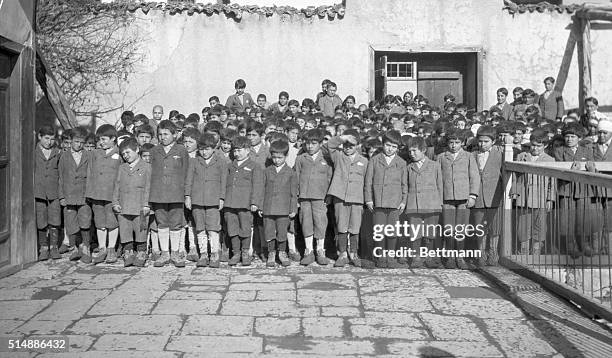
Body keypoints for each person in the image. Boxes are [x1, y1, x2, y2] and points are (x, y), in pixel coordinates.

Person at [149, 120, 189, 267]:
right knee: (162, 223)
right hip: (158, 194)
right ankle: (164, 253)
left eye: (166, 134)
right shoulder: (154, 151)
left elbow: (186, 172)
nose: (162, 137)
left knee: (176, 223)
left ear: (175, 134)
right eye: (160, 134)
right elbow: (150, 173)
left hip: (176, 193)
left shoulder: (181, 150)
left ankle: (175, 253)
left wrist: (186, 193)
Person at [437, 127, 479, 269]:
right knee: (448, 227)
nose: (454, 145)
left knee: (461, 228)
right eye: (451, 142)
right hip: (446, 198)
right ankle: (449, 256)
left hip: (463, 198)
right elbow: (437, 179)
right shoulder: (441, 157)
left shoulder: (468, 157)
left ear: (462, 142)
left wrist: (472, 195)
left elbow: (474, 176)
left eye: (457, 142)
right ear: (447, 143)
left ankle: (459, 256)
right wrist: (439, 198)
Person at [364, 130, 407, 268]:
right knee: (379, 230)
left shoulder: (401, 162)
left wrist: (403, 201)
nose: (390, 149)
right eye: (388, 145)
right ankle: (380, 256)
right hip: (378, 201)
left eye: (394, 147)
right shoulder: (375, 160)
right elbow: (368, 182)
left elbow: (404, 184)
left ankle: (390, 256)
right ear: (383, 144)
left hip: (395, 202)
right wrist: (369, 199)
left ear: (398, 148)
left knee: (393, 231)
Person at [326, 129, 368, 267]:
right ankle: (342, 253)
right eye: (346, 145)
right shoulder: (338, 156)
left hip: (357, 198)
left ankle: (354, 253)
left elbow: (367, 182)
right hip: (340, 196)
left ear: (358, 146)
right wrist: (342, 137)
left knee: (355, 227)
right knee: (341, 226)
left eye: (351, 145)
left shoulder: (364, 161)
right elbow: (329, 145)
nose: (348, 148)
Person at [554, 122, 597, 257]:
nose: (570, 139)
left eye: (573, 136)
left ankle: (584, 243)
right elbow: (557, 170)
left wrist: (591, 170)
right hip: (566, 188)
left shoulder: (587, 151)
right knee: (567, 218)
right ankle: (570, 244)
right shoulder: (559, 151)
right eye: (567, 136)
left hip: (583, 189)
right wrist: (570, 172)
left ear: (579, 138)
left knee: (583, 218)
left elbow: (593, 170)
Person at [185, 132, 228, 268]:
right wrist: (188, 196)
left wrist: (221, 198)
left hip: (213, 200)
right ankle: (203, 254)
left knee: (213, 228)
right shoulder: (194, 162)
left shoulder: (221, 162)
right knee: (200, 228)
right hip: (197, 200)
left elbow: (223, 181)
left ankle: (214, 253)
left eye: (207, 149)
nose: (204, 152)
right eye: (202, 149)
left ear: (214, 148)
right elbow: (189, 180)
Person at [512, 129, 555, 255]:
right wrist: (515, 192)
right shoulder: (522, 156)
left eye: (539, 146)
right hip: (524, 198)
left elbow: (552, 181)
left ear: (545, 146)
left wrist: (550, 199)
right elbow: (515, 176)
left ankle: (536, 252)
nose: (535, 148)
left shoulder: (550, 160)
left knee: (540, 227)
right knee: (523, 227)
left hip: (540, 198)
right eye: (533, 145)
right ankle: (523, 252)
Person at [404, 136, 444, 268]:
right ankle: (416, 257)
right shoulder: (409, 167)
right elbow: (405, 186)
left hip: (431, 204)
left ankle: (429, 257)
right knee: (415, 231)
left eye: (415, 151)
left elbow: (440, 186)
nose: (412, 154)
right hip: (413, 205)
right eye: (410, 151)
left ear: (424, 150)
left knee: (430, 232)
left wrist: (440, 203)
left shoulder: (435, 166)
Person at [224, 136, 264, 266]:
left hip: (245, 204)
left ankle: (245, 252)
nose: (236, 153)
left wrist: (254, 202)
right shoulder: (230, 166)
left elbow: (257, 186)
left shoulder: (254, 166)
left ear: (248, 150)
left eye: (240, 150)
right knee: (232, 227)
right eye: (234, 151)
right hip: (230, 203)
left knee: (245, 228)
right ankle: (236, 253)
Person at [295, 129, 332, 266]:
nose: (310, 146)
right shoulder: (301, 159)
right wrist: (297, 195)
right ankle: (308, 251)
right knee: (306, 222)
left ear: (321, 144)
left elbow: (330, 178)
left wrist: (328, 195)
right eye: (307, 143)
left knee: (321, 223)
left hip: (320, 198)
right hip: (304, 197)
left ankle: (320, 250)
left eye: (314, 143)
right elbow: (296, 177)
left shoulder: (327, 159)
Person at [112, 137, 151, 267]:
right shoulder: (122, 167)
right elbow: (117, 185)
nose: (125, 156)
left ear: (137, 150)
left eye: (128, 152)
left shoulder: (146, 167)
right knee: (125, 229)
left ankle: (141, 252)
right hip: (123, 205)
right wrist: (115, 202)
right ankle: (128, 251)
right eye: (123, 154)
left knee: (141, 229)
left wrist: (146, 204)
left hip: (140, 206)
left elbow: (148, 187)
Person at [86, 124, 121, 264]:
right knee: (100, 221)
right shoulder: (95, 153)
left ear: (113, 139)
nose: (101, 142)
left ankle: (111, 248)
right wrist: (89, 192)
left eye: (105, 139)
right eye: (100, 139)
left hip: (112, 195)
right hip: (97, 194)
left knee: (112, 221)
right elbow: (89, 172)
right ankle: (102, 248)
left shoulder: (119, 154)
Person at [260, 140, 298, 267]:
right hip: (268, 208)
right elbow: (262, 189)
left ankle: (282, 252)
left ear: (286, 156)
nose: (276, 160)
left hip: (283, 208)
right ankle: (271, 253)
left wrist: (293, 209)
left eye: (279, 157)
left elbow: (293, 193)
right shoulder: (267, 171)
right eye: (274, 157)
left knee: (282, 231)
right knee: (269, 231)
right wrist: (260, 206)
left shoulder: (291, 173)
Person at [471, 125, 505, 267]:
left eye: (486, 141)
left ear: (493, 141)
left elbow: (506, 174)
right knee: (479, 225)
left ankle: (493, 252)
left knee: (494, 226)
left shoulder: (500, 154)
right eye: (480, 141)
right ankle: (481, 253)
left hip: (494, 195)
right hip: (478, 195)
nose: (482, 144)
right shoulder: (472, 155)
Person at [58, 127, 93, 263]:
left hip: (84, 195)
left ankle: (86, 248)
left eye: (81, 142)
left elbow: (91, 176)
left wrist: (89, 194)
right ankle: (75, 248)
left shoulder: (88, 156)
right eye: (76, 141)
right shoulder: (64, 156)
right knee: (71, 222)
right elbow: (60, 177)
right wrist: (61, 196)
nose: (79, 145)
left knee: (85, 222)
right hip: (69, 196)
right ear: (70, 141)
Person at [35, 125, 62, 261]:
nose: (49, 142)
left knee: (55, 219)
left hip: (54, 192)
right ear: (39, 137)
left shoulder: (57, 152)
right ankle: (43, 247)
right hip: (38, 192)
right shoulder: (33, 152)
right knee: (41, 219)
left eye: (52, 139)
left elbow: (61, 173)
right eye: (46, 138)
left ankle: (54, 247)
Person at [181, 128, 201, 262]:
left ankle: (193, 247)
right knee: (182, 219)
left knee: (194, 220)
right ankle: (181, 248)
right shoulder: (180, 155)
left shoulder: (200, 157)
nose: (187, 144)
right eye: (185, 141)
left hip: (196, 192)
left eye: (191, 142)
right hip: (180, 191)